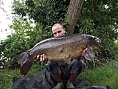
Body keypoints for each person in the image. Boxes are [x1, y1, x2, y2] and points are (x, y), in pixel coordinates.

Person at [37, 23, 85, 89]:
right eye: (55, 33)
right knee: (49, 64)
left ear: (64, 30)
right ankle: (60, 82)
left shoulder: (72, 40)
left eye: (59, 31)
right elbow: (51, 61)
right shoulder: (51, 44)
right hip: (58, 70)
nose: (57, 35)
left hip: (70, 68)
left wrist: (80, 55)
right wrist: (45, 58)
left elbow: (77, 59)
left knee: (80, 62)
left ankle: (69, 83)